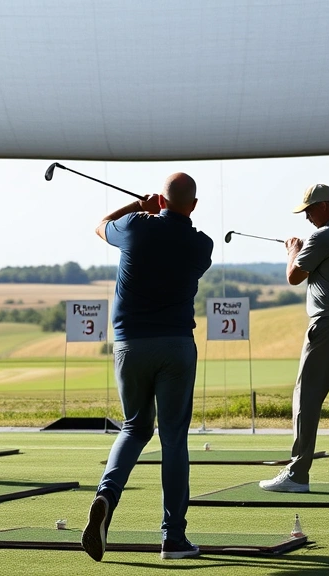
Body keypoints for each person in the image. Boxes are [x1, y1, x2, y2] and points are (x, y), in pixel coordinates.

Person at [81, 173, 213, 562]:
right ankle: (173, 538)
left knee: (135, 427)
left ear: (161, 199)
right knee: (173, 439)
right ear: (193, 205)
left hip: (129, 345)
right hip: (176, 346)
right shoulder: (201, 245)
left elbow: (99, 225)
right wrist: (163, 211)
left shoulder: (136, 227)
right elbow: (178, 247)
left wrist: (139, 207)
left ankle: (106, 496)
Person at [259, 184, 329, 493]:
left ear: (324, 206)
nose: (306, 217)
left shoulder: (324, 235)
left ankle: (297, 474)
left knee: (306, 397)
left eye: (308, 210)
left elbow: (293, 276)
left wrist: (293, 249)